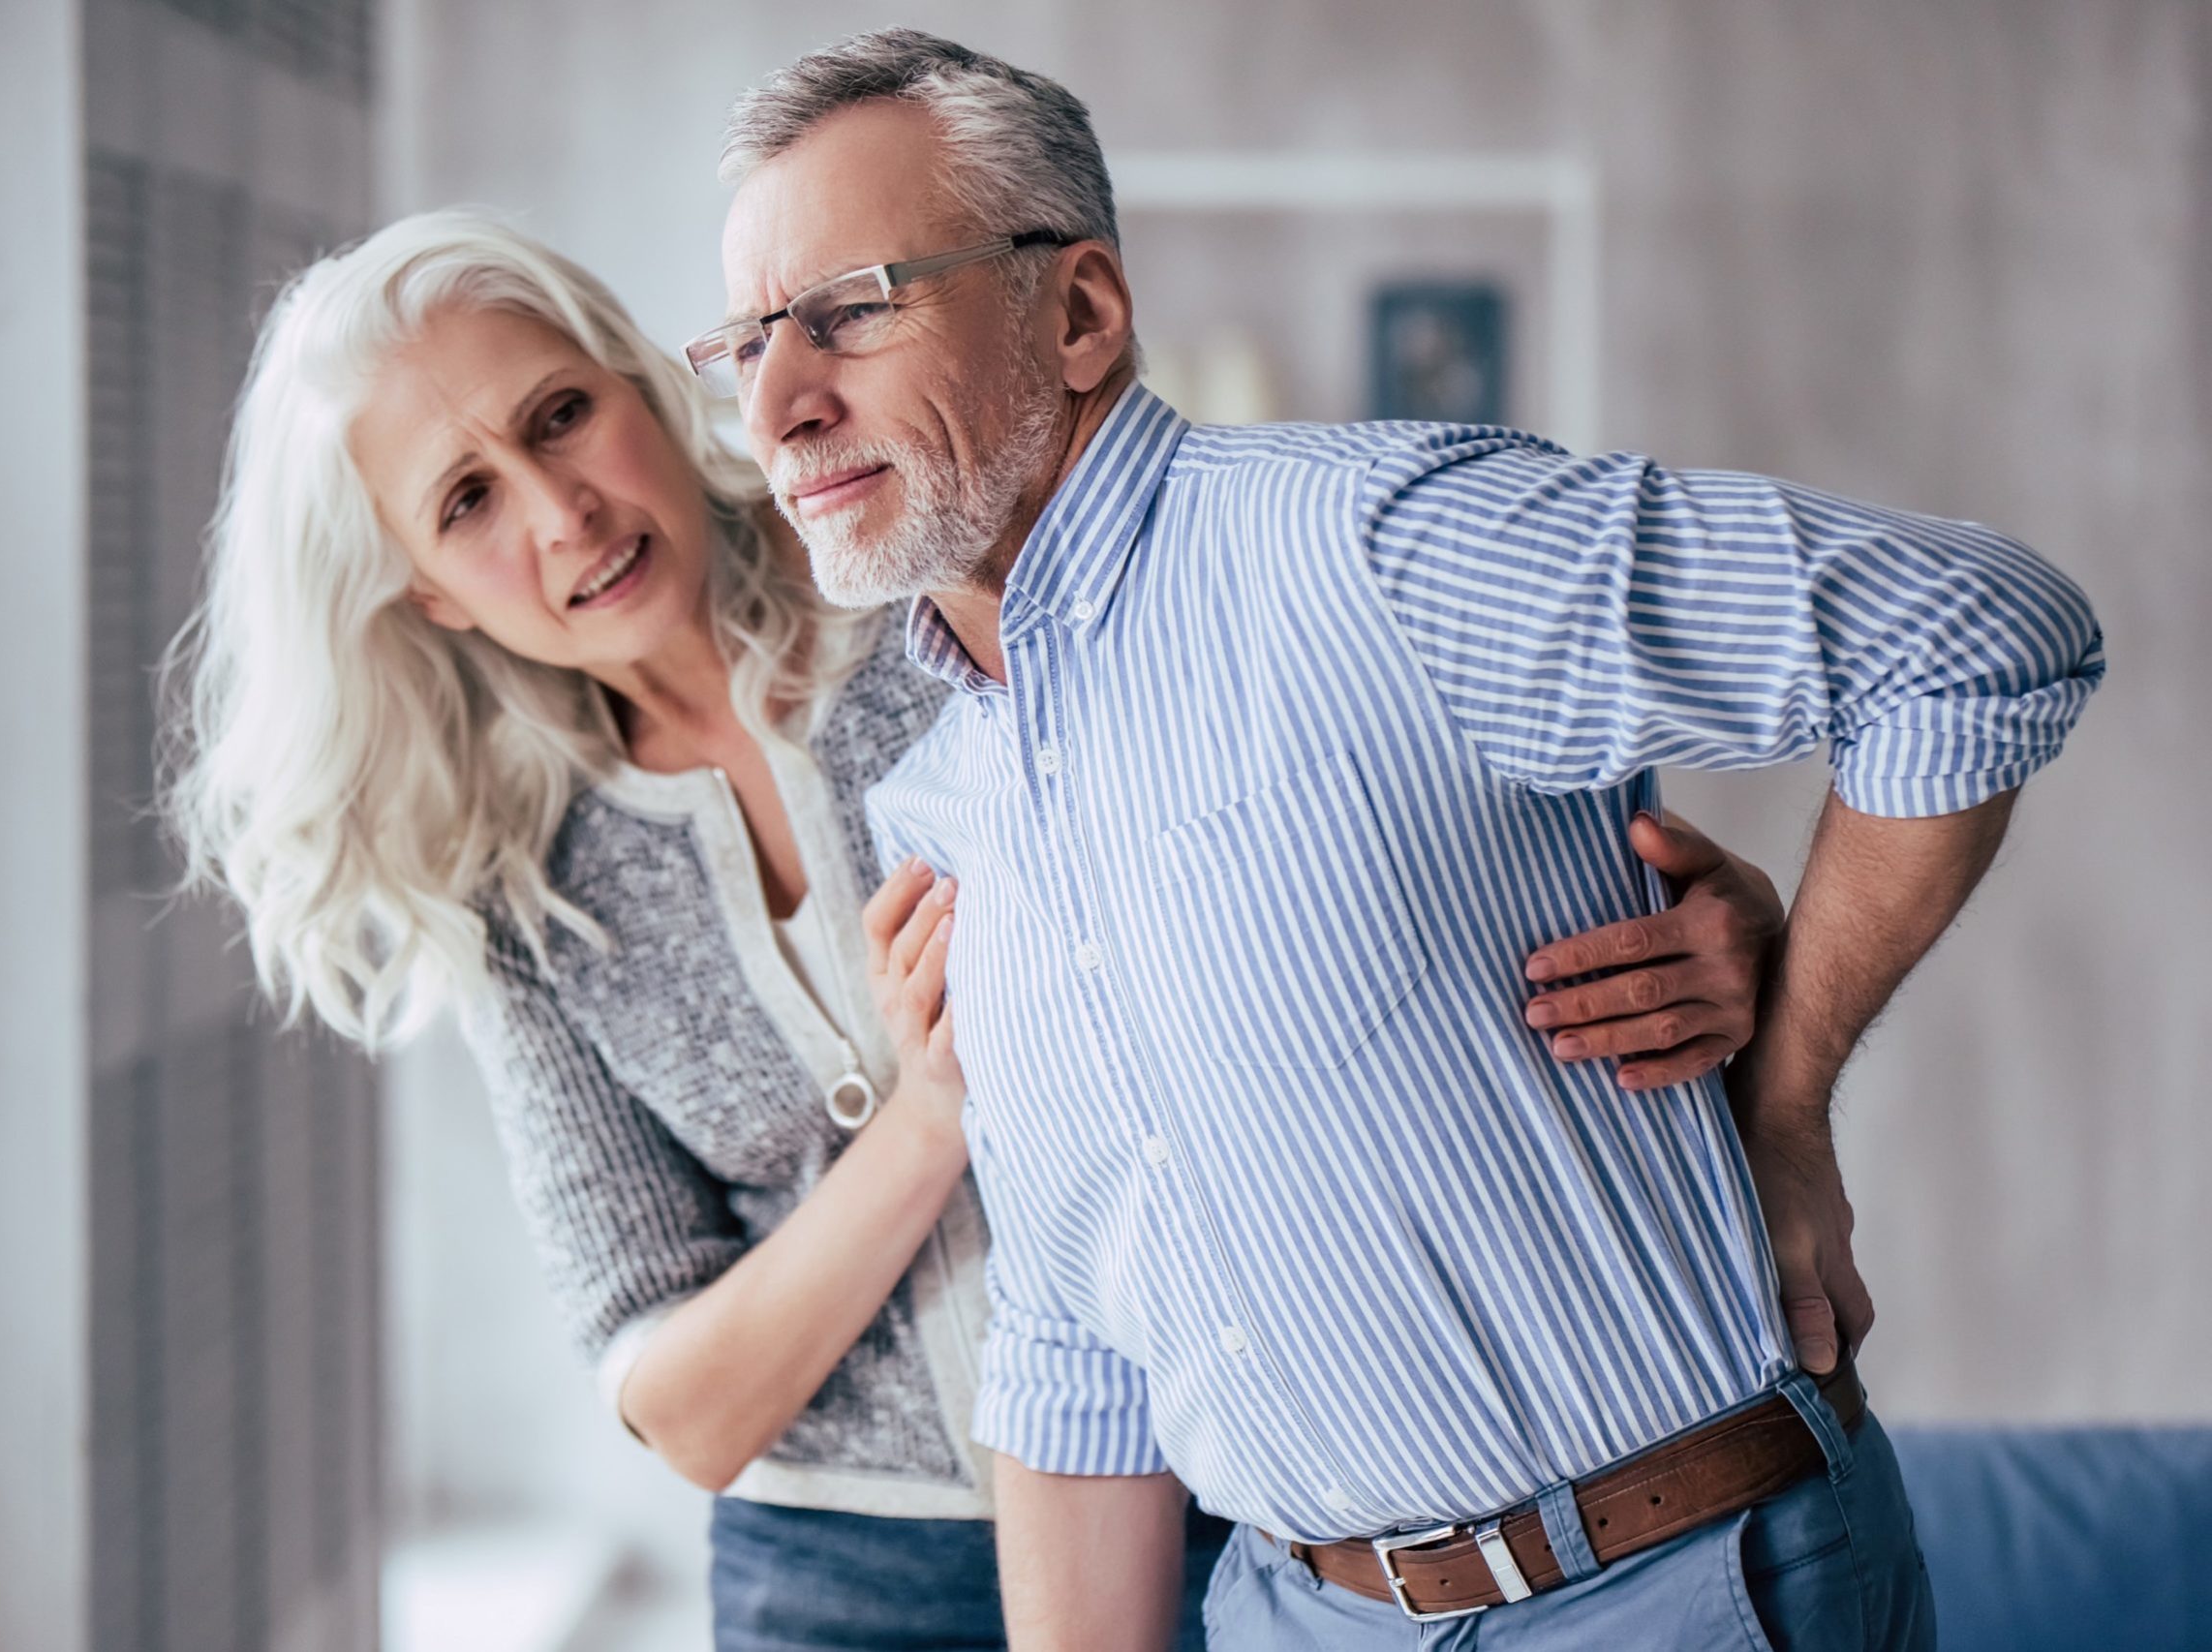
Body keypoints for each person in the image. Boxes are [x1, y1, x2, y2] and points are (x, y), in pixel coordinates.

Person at [161, 208, 1792, 1649]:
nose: (562, 512)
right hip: (840, 1575)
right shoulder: (516, 887)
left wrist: (1721, 934)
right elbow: (687, 1406)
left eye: (562, 415)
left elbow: (1372, 844)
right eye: (466, 498)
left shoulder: (934, 587)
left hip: (1249, 1472)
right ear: (429, 591)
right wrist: (937, 1113)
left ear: (644, 379)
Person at [702, 29, 2104, 1651]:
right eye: (740, 346)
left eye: (853, 308)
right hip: (1299, 1616)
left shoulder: (1377, 549)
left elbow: (1975, 635)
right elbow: (1086, 1332)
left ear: (1077, 311)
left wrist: (1785, 1106)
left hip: (1673, 1590)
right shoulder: (945, 795)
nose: (781, 404)